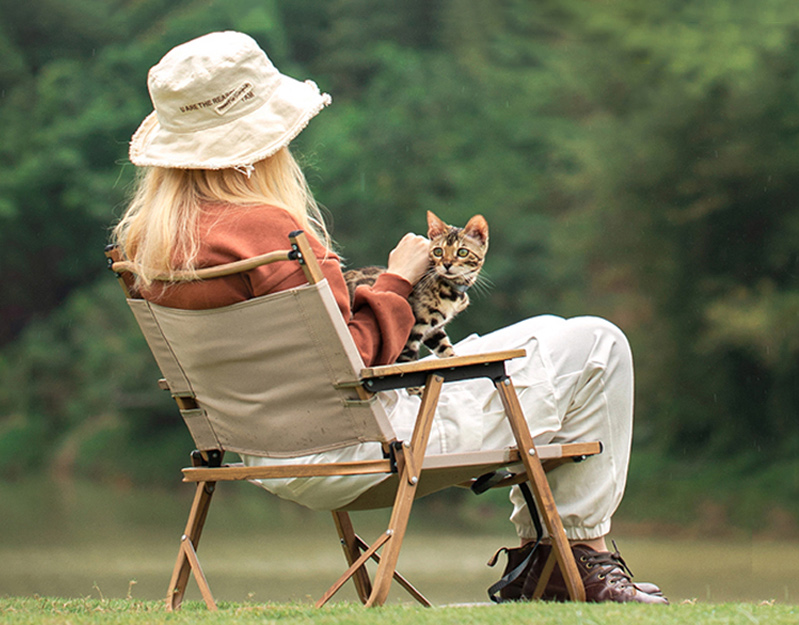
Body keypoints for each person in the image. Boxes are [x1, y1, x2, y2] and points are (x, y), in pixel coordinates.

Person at [112, 30, 667, 605]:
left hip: (260, 453)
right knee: (597, 344)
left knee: (550, 332)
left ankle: (550, 560)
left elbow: (309, 357)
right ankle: (578, 556)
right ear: (257, 146)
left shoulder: (151, 248)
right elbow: (352, 358)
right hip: (362, 447)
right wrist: (398, 278)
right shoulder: (273, 234)